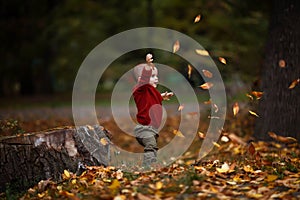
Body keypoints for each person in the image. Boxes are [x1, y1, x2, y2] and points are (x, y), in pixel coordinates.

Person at [132, 53, 173, 167]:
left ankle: (152, 166)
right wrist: (148, 66)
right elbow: (144, 81)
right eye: (152, 76)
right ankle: (147, 166)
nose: (156, 78)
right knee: (151, 145)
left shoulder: (151, 91)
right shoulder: (139, 89)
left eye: (156, 76)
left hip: (153, 129)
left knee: (153, 147)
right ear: (141, 79)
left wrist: (162, 97)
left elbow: (152, 100)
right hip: (144, 129)